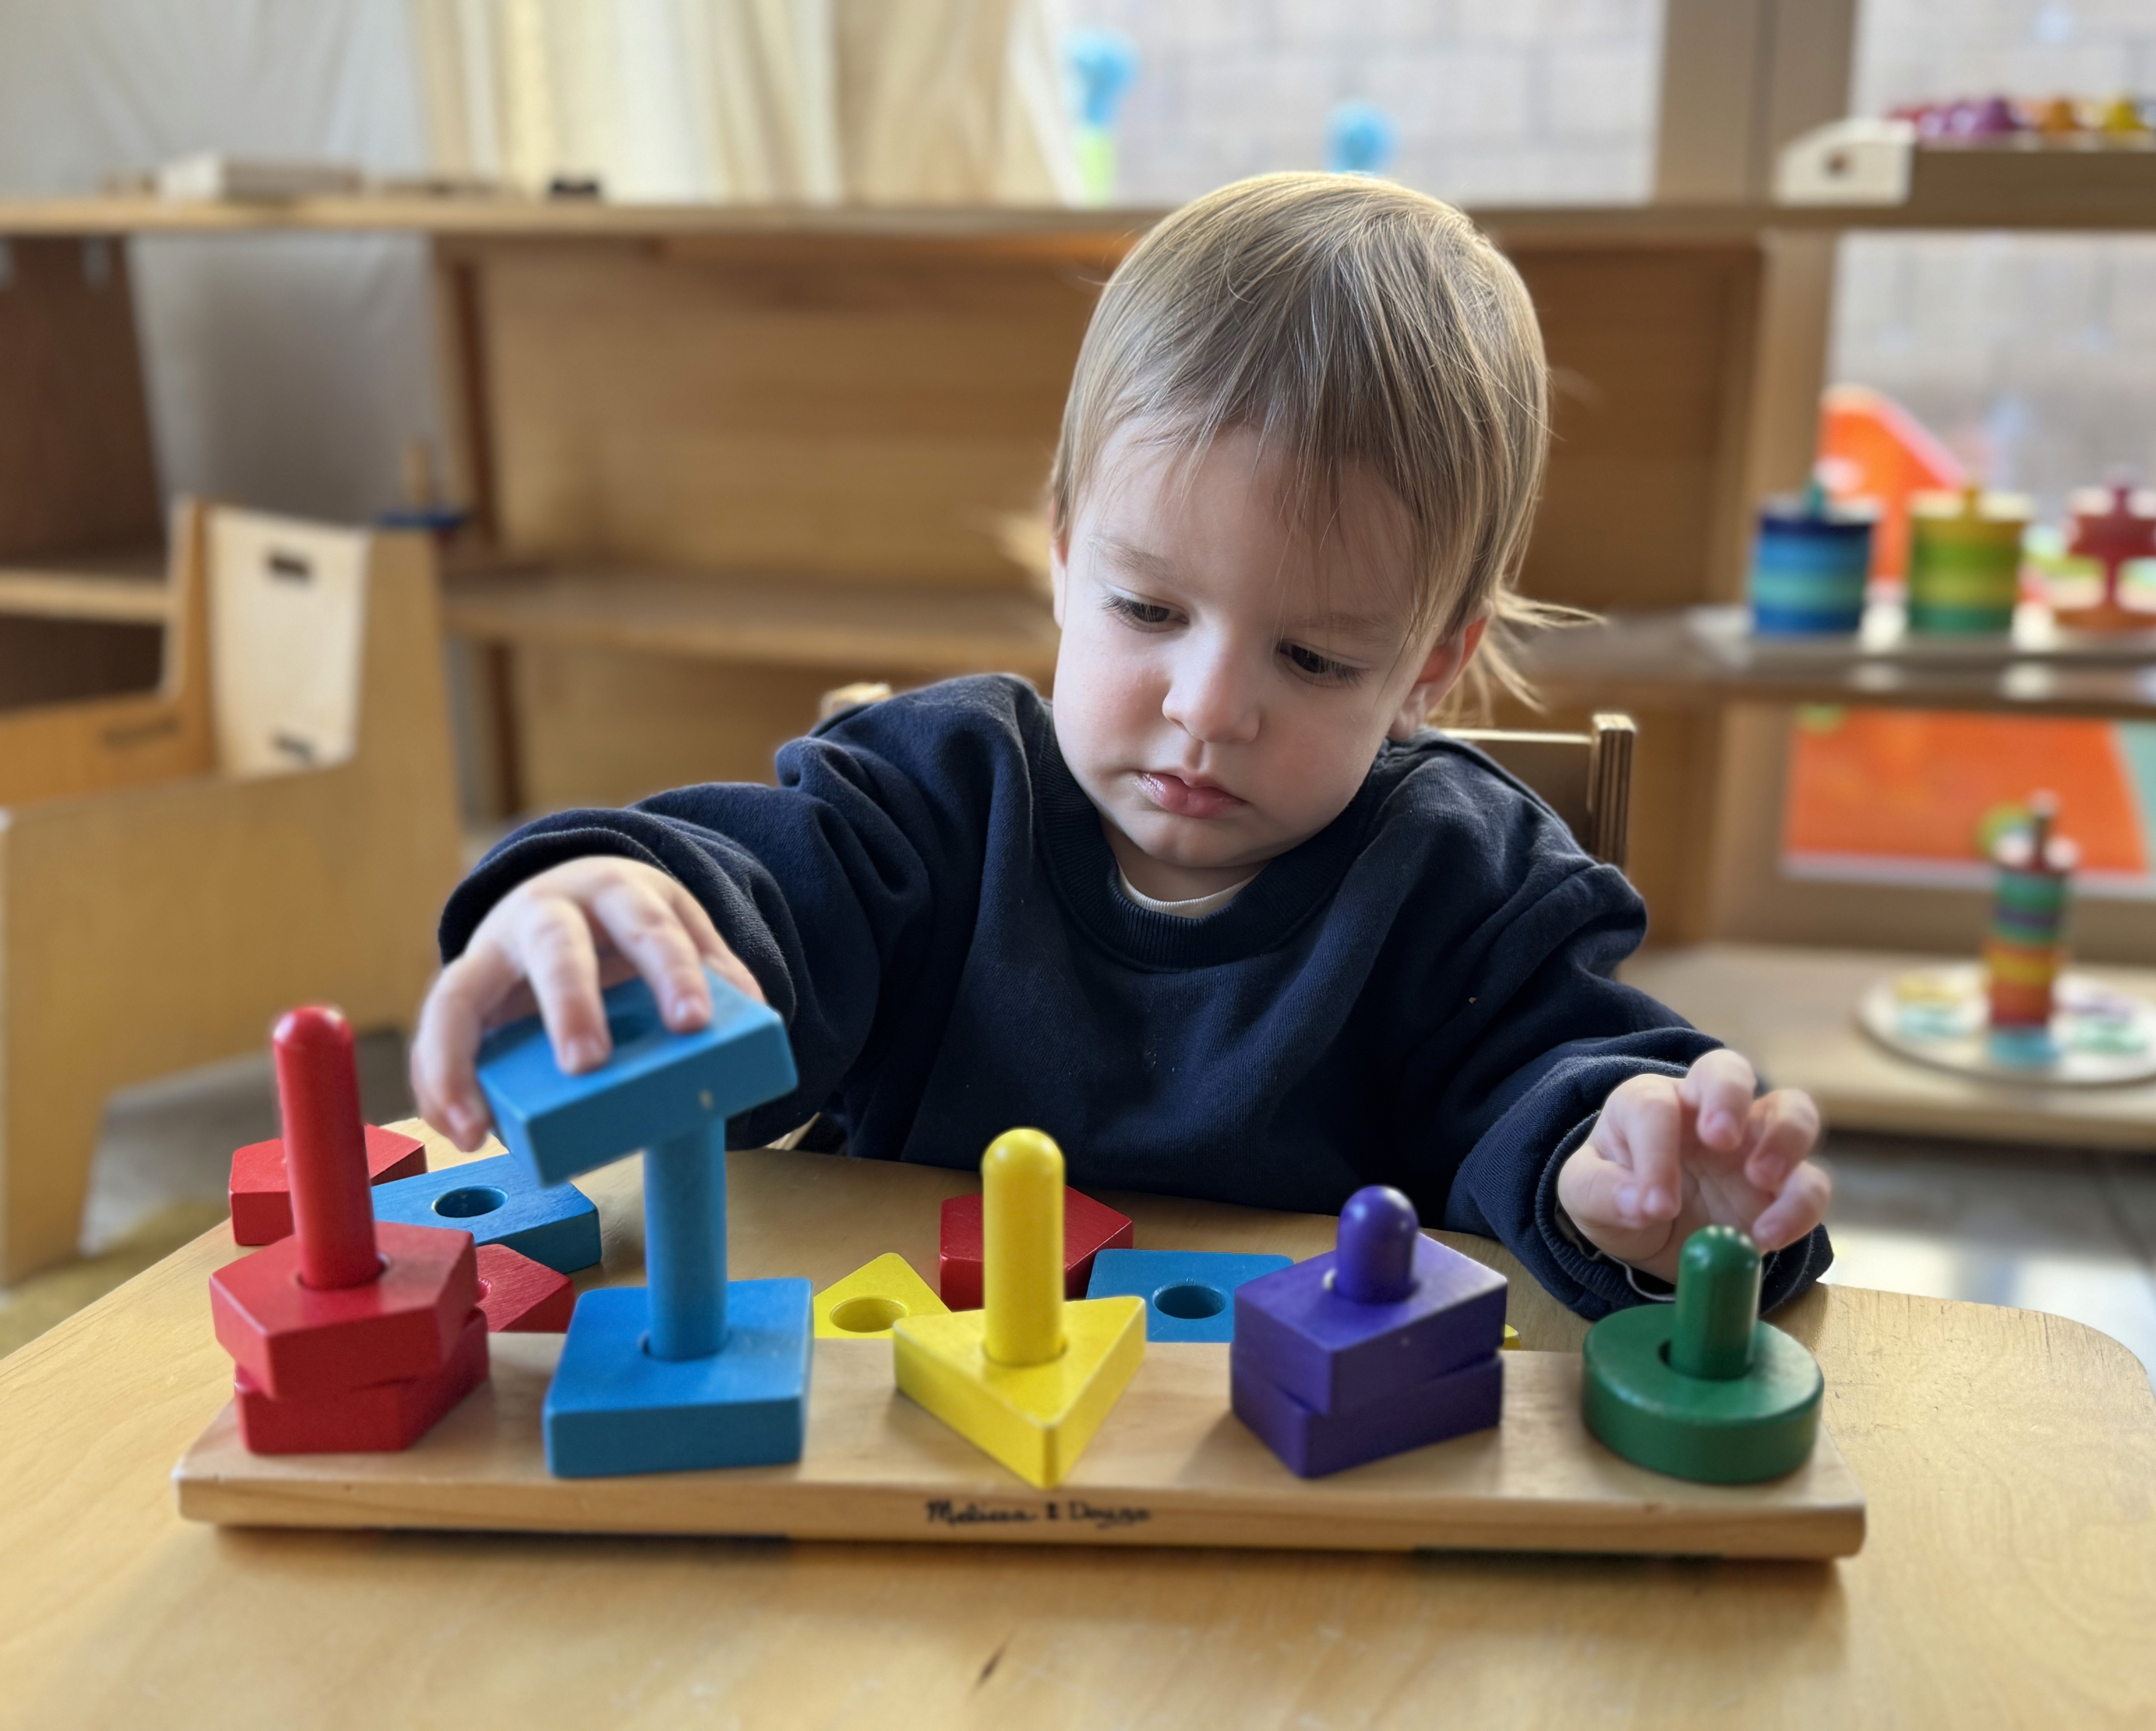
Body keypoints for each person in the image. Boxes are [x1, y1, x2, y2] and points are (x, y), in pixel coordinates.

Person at [414, 173, 1831, 1318]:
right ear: (1062, 551)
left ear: (1432, 667)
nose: (1207, 708)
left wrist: (1631, 1179)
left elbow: (1558, 1086)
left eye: (1317, 656)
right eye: (1148, 607)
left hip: (1285, 1489)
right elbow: (760, 903)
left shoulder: (1470, 883)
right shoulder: (938, 793)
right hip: (919, 1445)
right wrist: (617, 898)